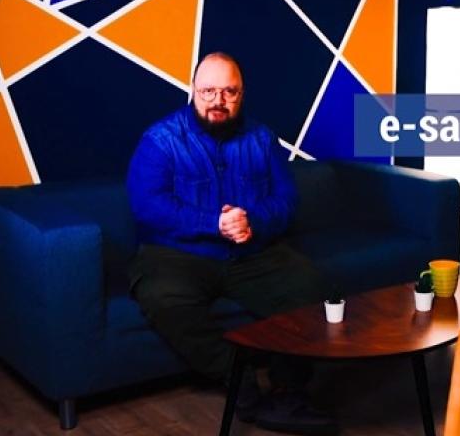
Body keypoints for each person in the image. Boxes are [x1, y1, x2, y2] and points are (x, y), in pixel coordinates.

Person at [127, 52, 335, 435]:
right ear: (193, 90)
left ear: (242, 94)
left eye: (229, 92)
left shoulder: (262, 138)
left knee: (310, 286)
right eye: (208, 91)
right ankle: (240, 383)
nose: (218, 101)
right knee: (161, 298)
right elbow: (147, 206)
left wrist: (252, 221)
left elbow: (286, 200)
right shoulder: (160, 140)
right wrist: (214, 223)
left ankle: (288, 395)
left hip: (250, 252)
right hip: (178, 255)